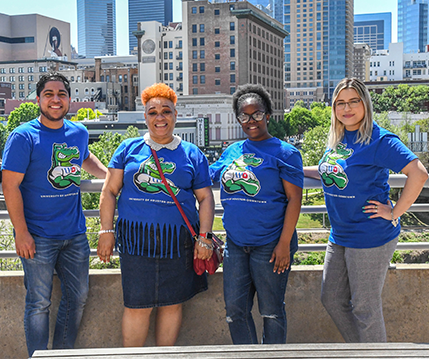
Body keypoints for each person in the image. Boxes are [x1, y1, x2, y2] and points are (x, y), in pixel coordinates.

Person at [304, 78, 428, 343]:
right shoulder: (338, 138)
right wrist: (300, 171)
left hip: (369, 235)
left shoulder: (379, 140)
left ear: (365, 104)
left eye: (353, 101)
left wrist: (395, 212)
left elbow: (418, 173)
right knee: (332, 298)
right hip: (340, 234)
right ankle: (362, 350)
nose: (346, 108)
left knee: (365, 307)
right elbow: (334, 170)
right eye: (340, 103)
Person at [97, 83, 214, 347]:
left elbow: (206, 198)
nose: (159, 118)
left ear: (176, 114)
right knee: (137, 305)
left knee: (172, 304)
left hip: (179, 242)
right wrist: (106, 231)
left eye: (166, 111)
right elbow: (109, 191)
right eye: (152, 112)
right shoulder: (127, 148)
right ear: (144, 116)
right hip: (135, 242)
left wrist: (204, 238)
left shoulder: (193, 154)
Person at [1, 72, 107, 357]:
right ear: (38, 99)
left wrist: (110, 178)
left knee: (79, 298)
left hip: (74, 235)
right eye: (49, 94)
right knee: (38, 303)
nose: (55, 99)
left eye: (61, 94)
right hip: (37, 235)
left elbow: (84, 157)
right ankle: (38, 356)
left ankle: (61, 354)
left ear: (69, 100)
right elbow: (10, 186)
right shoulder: (23, 136)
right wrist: (21, 233)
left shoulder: (78, 132)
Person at [209, 84, 303, 344]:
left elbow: (295, 198)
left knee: (271, 312)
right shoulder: (232, 151)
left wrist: (284, 244)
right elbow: (204, 176)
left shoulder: (285, 153)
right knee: (235, 312)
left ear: (268, 115)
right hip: (236, 245)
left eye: (257, 114)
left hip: (271, 244)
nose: (251, 121)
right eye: (244, 116)